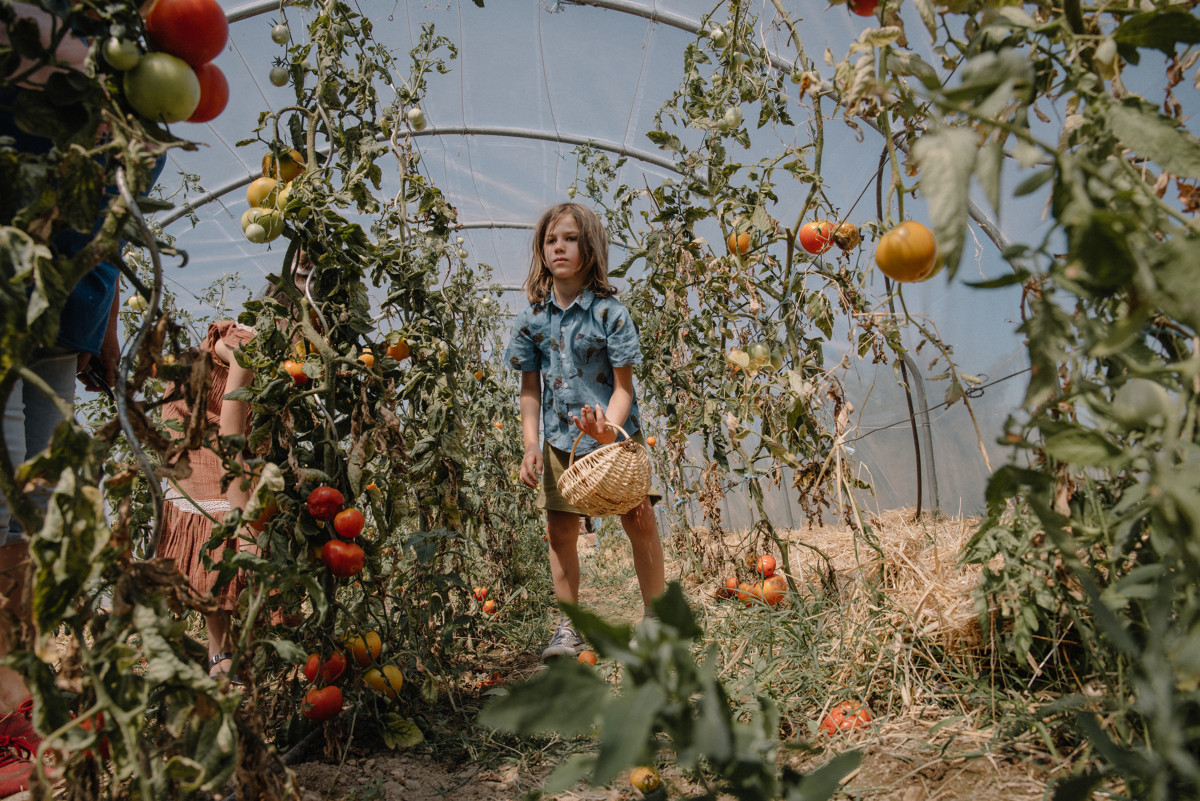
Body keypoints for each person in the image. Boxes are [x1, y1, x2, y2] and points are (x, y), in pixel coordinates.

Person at [504, 202, 665, 662]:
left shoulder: (610, 314)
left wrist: (608, 431)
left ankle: (656, 618)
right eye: (551, 240)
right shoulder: (531, 320)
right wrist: (530, 444)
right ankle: (568, 627)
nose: (559, 247)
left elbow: (623, 387)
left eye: (570, 238)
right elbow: (530, 390)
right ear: (542, 250)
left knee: (638, 519)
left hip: (616, 437)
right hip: (560, 440)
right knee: (559, 531)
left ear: (589, 247)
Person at [156, 250, 314, 683]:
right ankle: (220, 652)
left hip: (231, 429)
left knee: (258, 522)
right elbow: (230, 442)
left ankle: (259, 642)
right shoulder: (250, 346)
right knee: (225, 526)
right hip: (199, 428)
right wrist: (243, 518)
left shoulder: (284, 355)